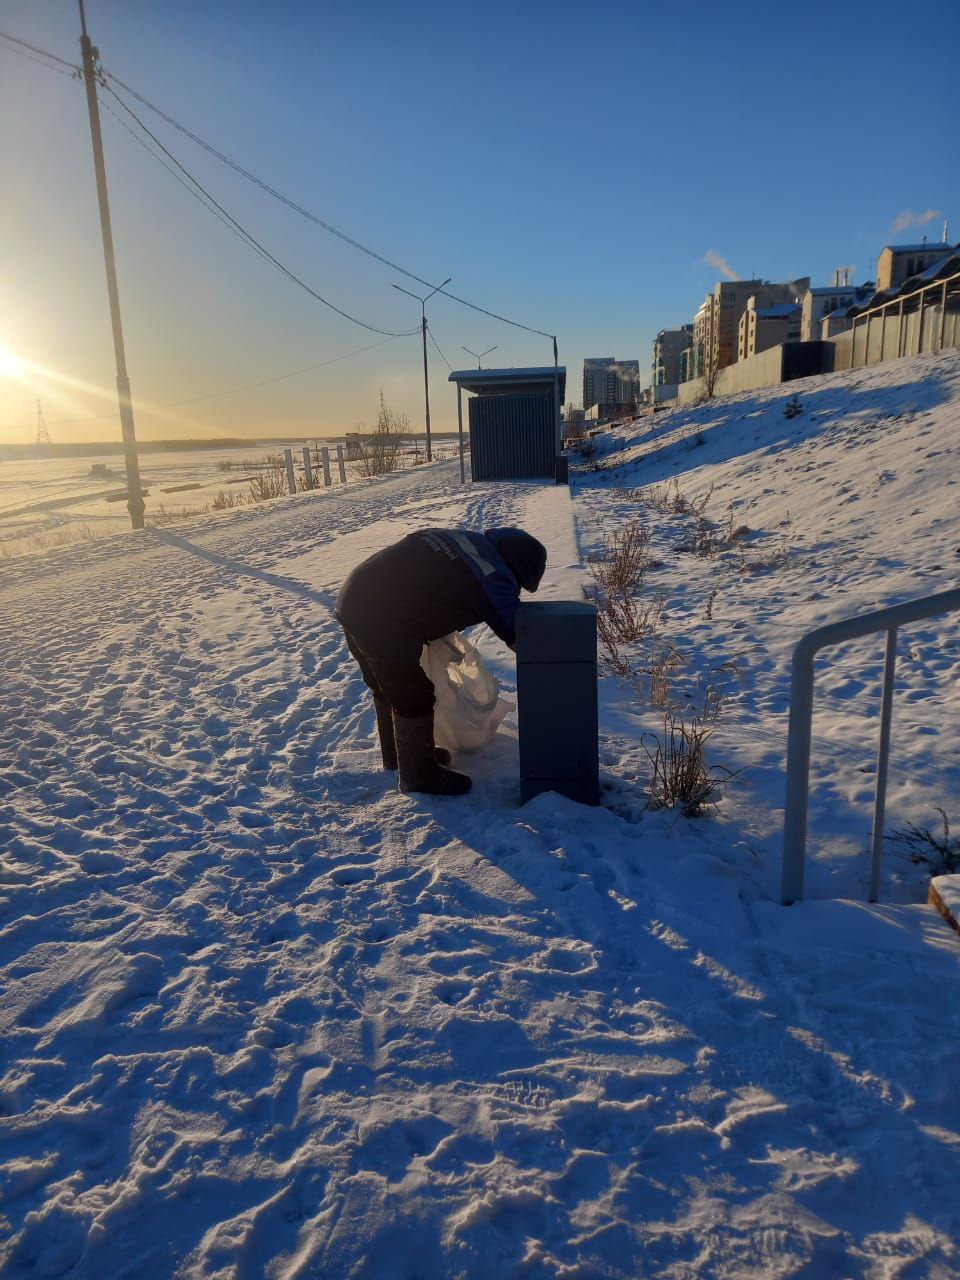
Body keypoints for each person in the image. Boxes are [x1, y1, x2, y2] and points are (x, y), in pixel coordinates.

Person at [336, 526, 547, 796]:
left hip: (354, 596)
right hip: (382, 617)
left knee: (386, 686)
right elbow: (520, 634)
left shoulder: (465, 540)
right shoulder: (492, 572)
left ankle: (400, 758)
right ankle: (419, 777)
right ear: (518, 568)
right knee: (413, 694)